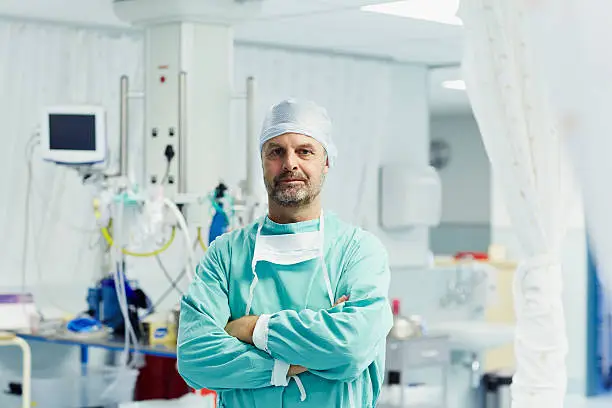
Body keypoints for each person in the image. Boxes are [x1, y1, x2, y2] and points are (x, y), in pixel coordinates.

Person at [177, 98, 393, 408]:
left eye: (305, 151)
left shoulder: (358, 251)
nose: (290, 163)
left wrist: (252, 328)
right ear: (263, 163)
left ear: (326, 162)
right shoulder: (225, 255)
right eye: (276, 152)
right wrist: (284, 366)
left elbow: (349, 348)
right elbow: (195, 357)